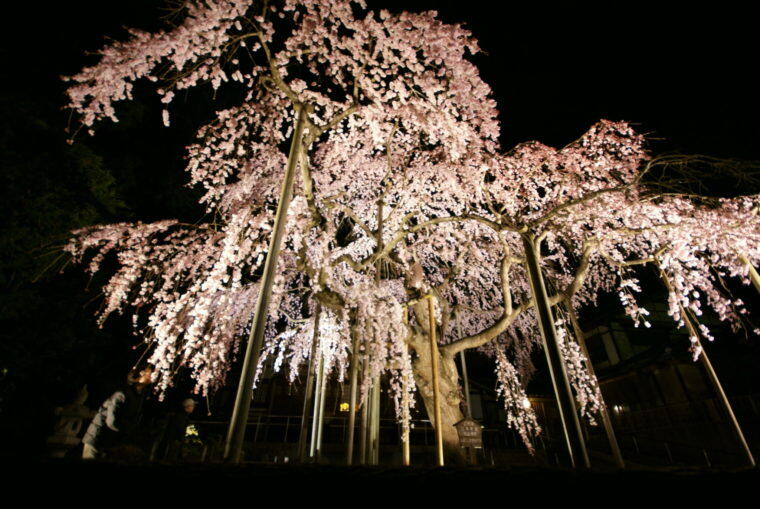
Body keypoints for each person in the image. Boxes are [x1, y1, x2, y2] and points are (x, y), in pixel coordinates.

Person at [81, 365, 153, 460]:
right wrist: (128, 431)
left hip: (109, 440)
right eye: (147, 373)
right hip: (97, 437)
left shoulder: (137, 396)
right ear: (138, 377)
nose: (150, 375)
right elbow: (111, 422)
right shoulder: (121, 395)